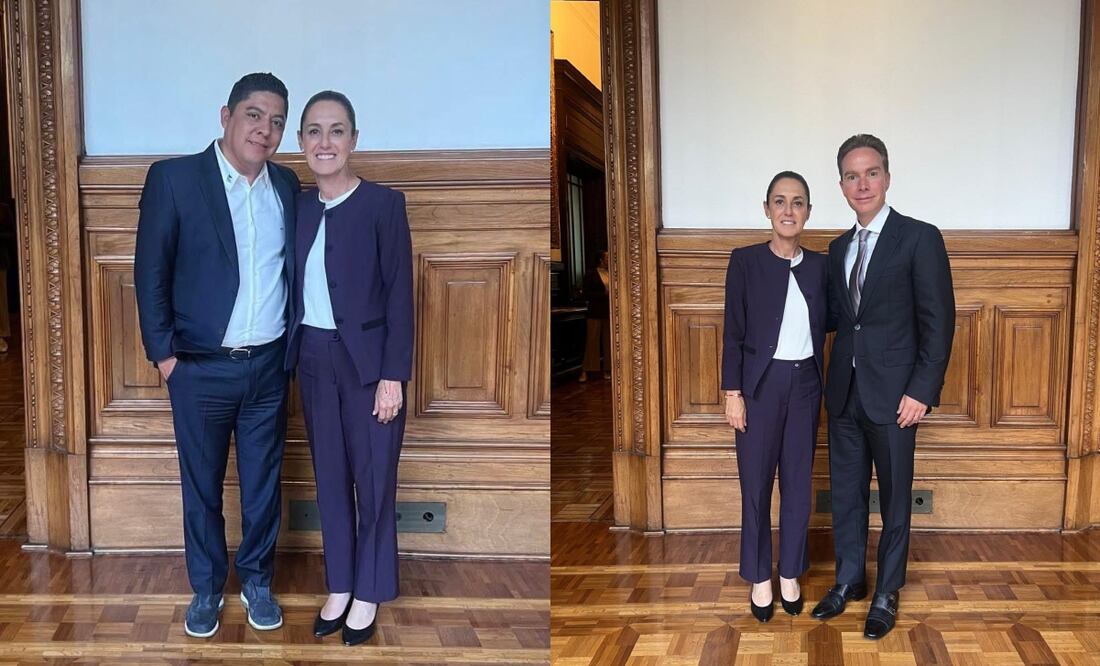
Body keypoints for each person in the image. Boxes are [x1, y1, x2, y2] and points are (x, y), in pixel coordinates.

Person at [134, 73, 300, 638]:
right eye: (255, 115)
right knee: (201, 487)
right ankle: (206, 588)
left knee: (262, 485)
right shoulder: (175, 179)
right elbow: (150, 274)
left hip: (268, 368)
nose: (266, 129)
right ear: (226, 114)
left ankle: (257, 580)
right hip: (198, 368)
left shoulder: (286, 186)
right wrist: (166, 359)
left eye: (277, 120)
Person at [811, 134, 954, 639]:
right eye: (852, 176)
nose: (862, 183)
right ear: (842, 186)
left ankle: (888, 590)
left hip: (897, 399)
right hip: (844, 393)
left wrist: (922, 391)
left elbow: (939, 322)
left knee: (894, 498)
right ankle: (849, 579)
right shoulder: (836, 248)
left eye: (871, 173)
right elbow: (837, 318)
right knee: (846, 494)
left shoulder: (919, 237)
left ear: (887, 178)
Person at [286, 91, 414, 647]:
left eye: (336, 131)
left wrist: (393, 376)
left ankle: (369, 590)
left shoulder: (385, 205)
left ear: (354, 140)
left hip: (368, 368)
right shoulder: (298, 205)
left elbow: (401, 299)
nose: (325, 142)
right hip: (312, 360)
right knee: (330, 479)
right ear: (301, 143)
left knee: (375, 479)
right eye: (314, 131)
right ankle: (338, 584)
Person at [721, 171, 827, 622]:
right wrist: (733, 392)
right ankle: (760, 576)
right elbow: (733, 334)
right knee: (756, 485)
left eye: (798, 202)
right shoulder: (745, 262)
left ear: (808, 211)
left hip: (806, 385)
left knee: (799, 487)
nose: (789, 210)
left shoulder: (821, 266)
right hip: (759, 389)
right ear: (766, 209)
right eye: (780, 202)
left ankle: (790, 573)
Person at [579, 250, 611, 382]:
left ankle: (607, 370)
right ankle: (585, 371)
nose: (610, 259)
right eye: (607, 257)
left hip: (608, 312)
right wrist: (603, 294)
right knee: (592, 342)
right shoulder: (591, 274)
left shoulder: (612, 273)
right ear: (601, 259)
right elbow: (586, 294)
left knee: (608, 342)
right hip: (594, 312)